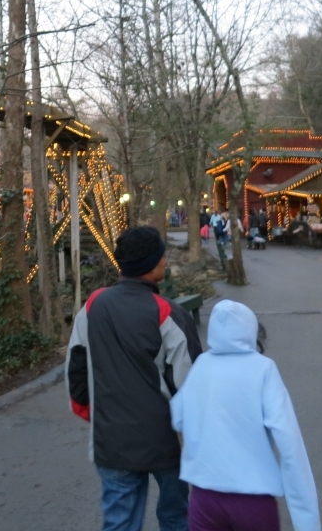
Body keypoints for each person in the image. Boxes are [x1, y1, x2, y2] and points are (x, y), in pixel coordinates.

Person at [67, 226, 203, 531]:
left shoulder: (92, 306)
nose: (166, 261)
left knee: (120, 522)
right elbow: (191, 385)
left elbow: (76, 367)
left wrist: (92, 413)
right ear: (152, 263)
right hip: (167, 440)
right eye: (162, 255)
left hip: (112, 439)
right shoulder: (168, 313)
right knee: (176, 518)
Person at [171, 300, 320, 531]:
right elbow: (289, 441)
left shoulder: (201, 365)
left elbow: (178, 416)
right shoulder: (263, 369)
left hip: (204, 496)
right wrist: (307, 522)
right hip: (253, 499)